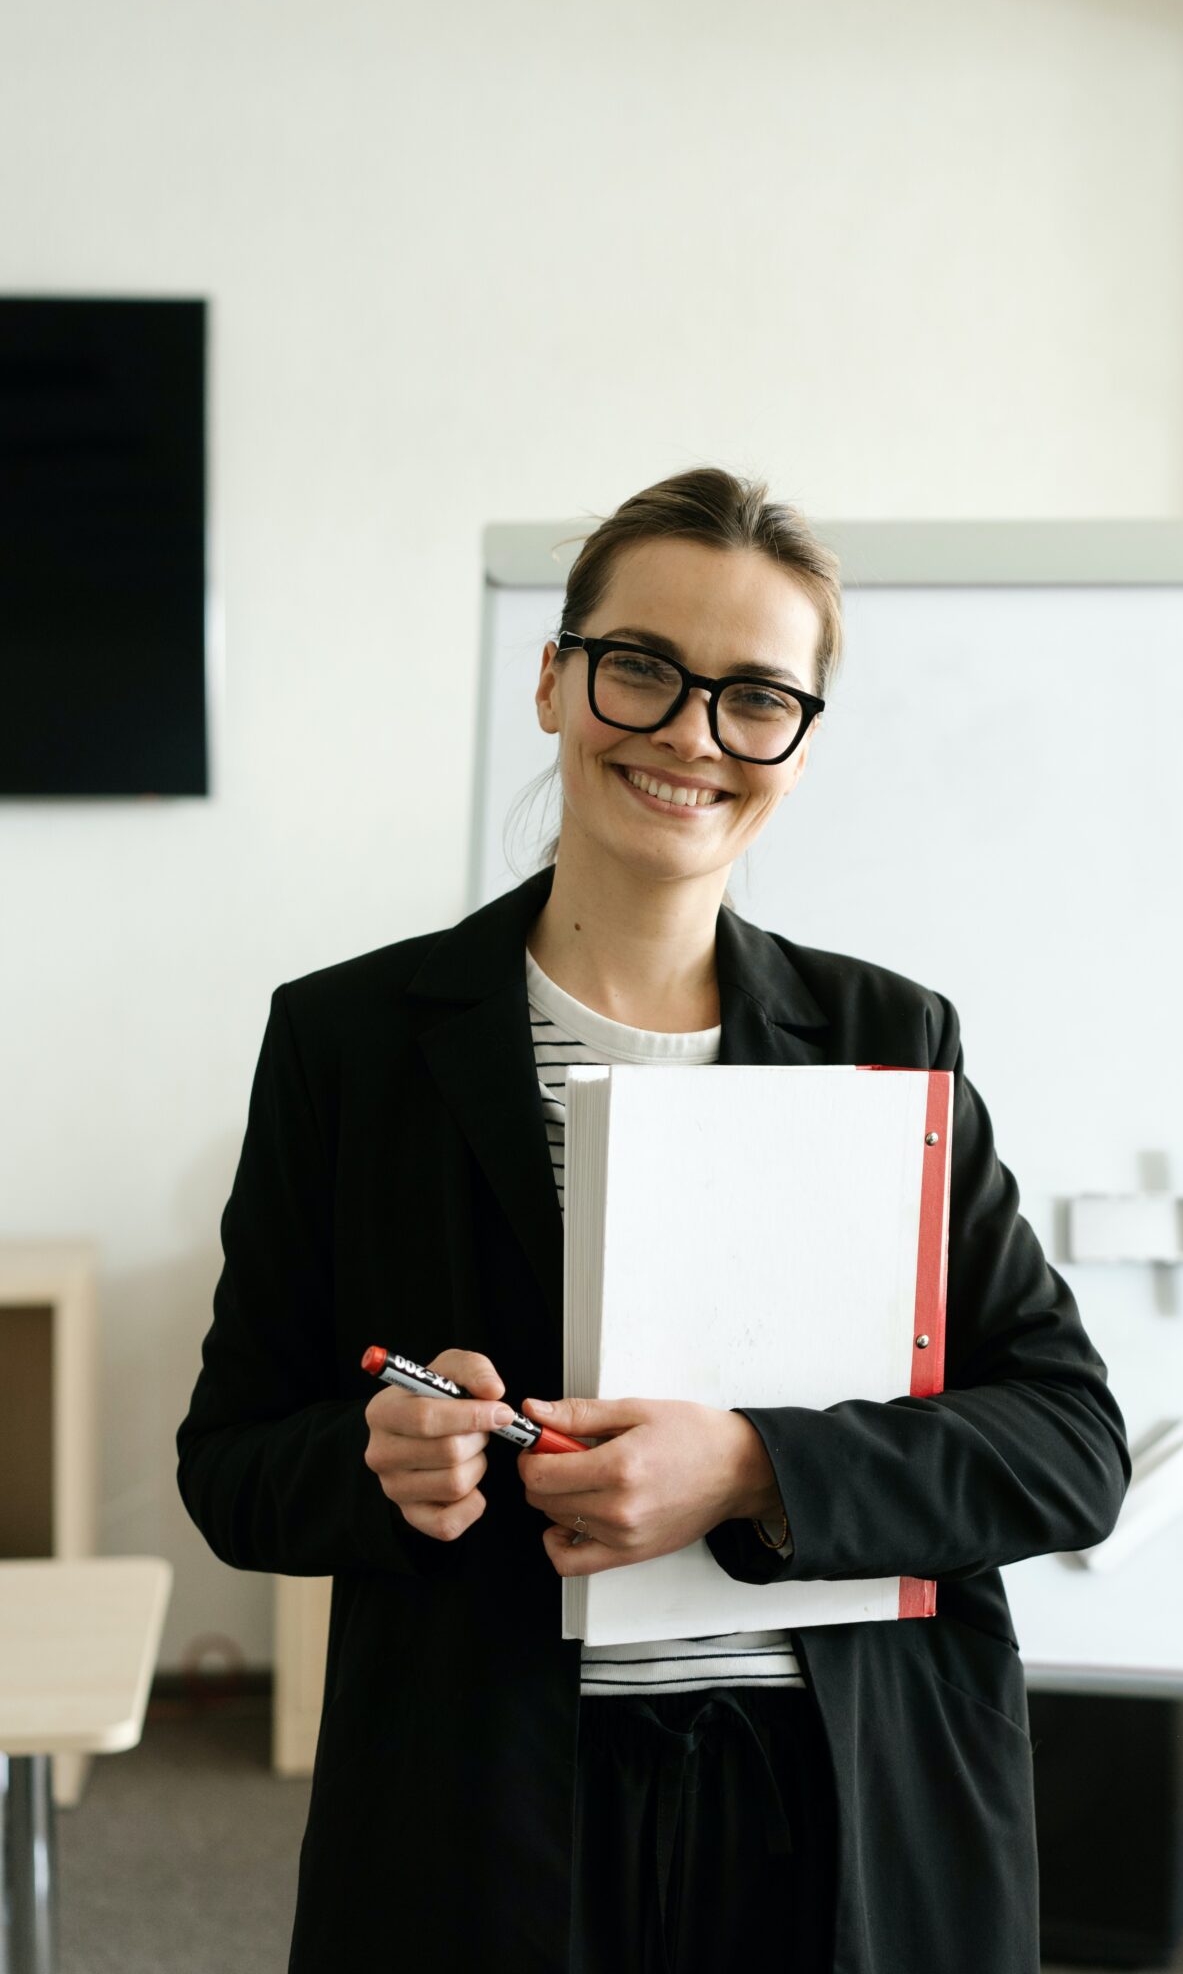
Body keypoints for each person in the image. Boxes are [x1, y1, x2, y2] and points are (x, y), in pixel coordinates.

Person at [175, 466, 1130, 1974]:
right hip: (484, 1805)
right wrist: (381, 1463)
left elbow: (1069, 1449)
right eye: (641, 669)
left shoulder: (889, 1038)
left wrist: (754, 1464)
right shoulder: (349, 1041)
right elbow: (231, 1468)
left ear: (798, 749)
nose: (690, 731)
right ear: (556, 683)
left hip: (843, 1799)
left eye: (754, 697)